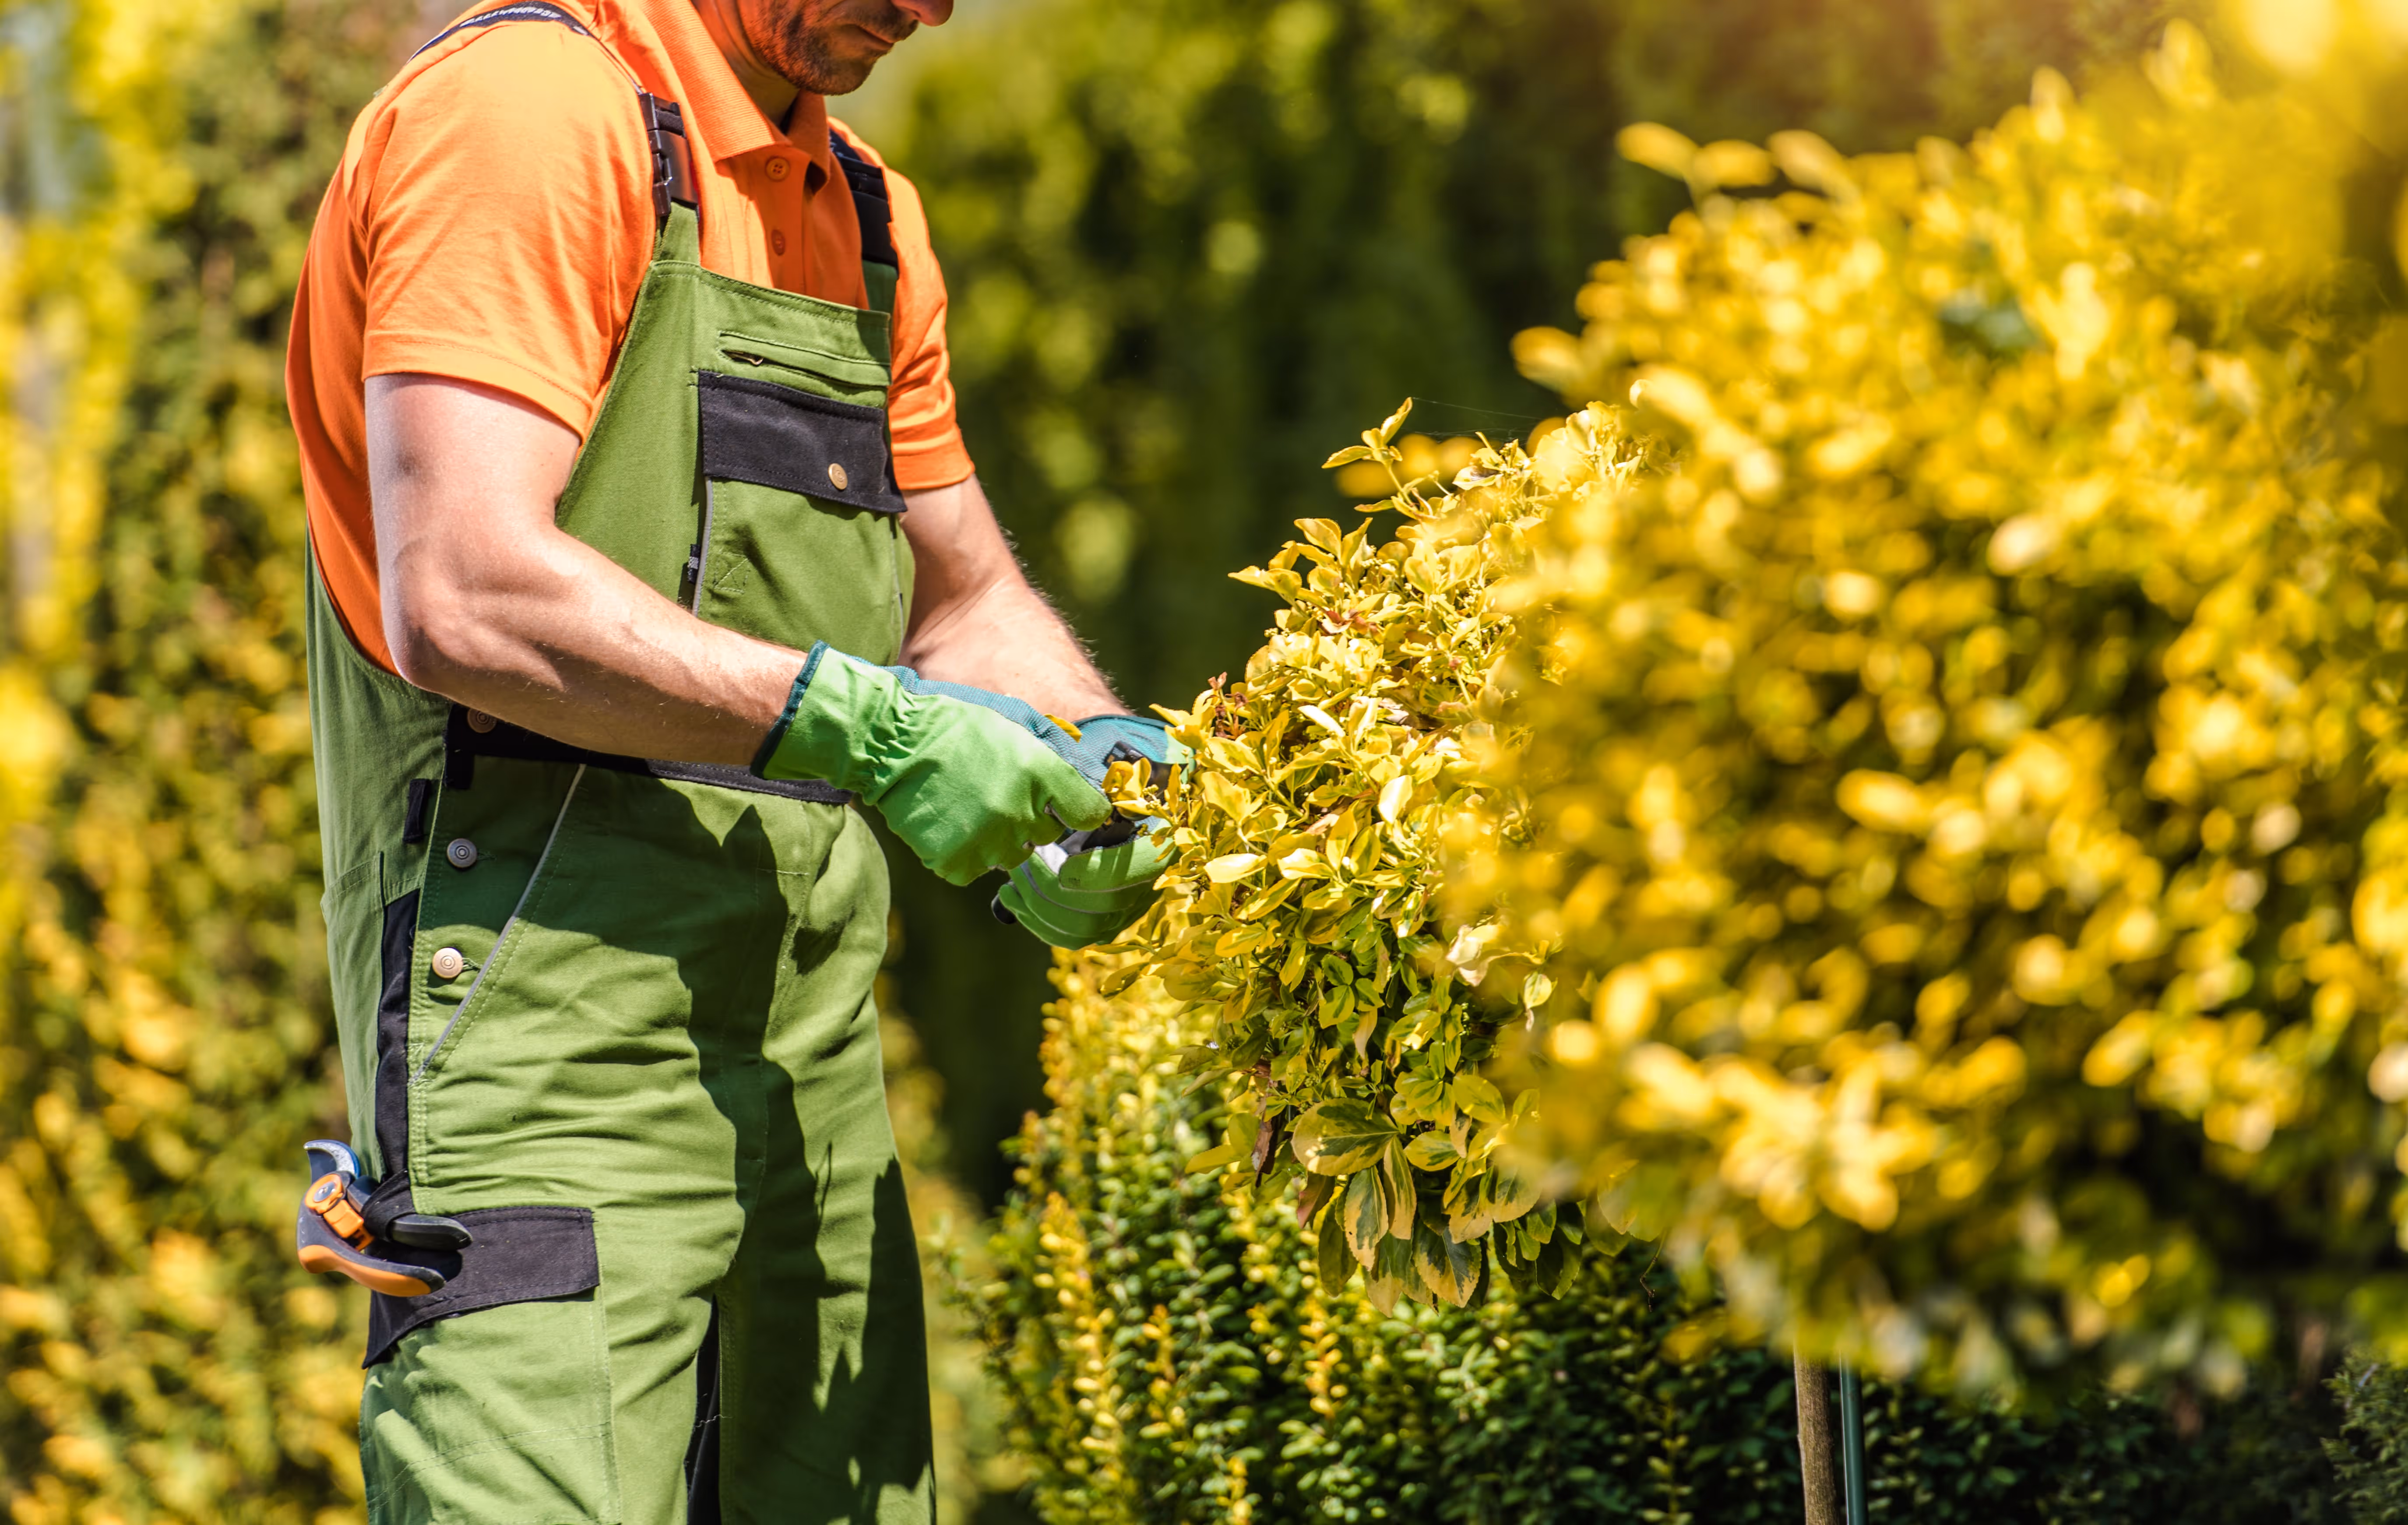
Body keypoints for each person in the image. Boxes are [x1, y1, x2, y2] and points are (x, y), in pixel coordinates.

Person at [284, 0, 1169, 1518]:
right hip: (542, 1045)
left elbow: (963, 600)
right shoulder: (528, 113)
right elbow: (470, 592)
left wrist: (1113, 763)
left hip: (806, 1071)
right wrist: (862, 725)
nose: (932, 10)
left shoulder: (868, 212)